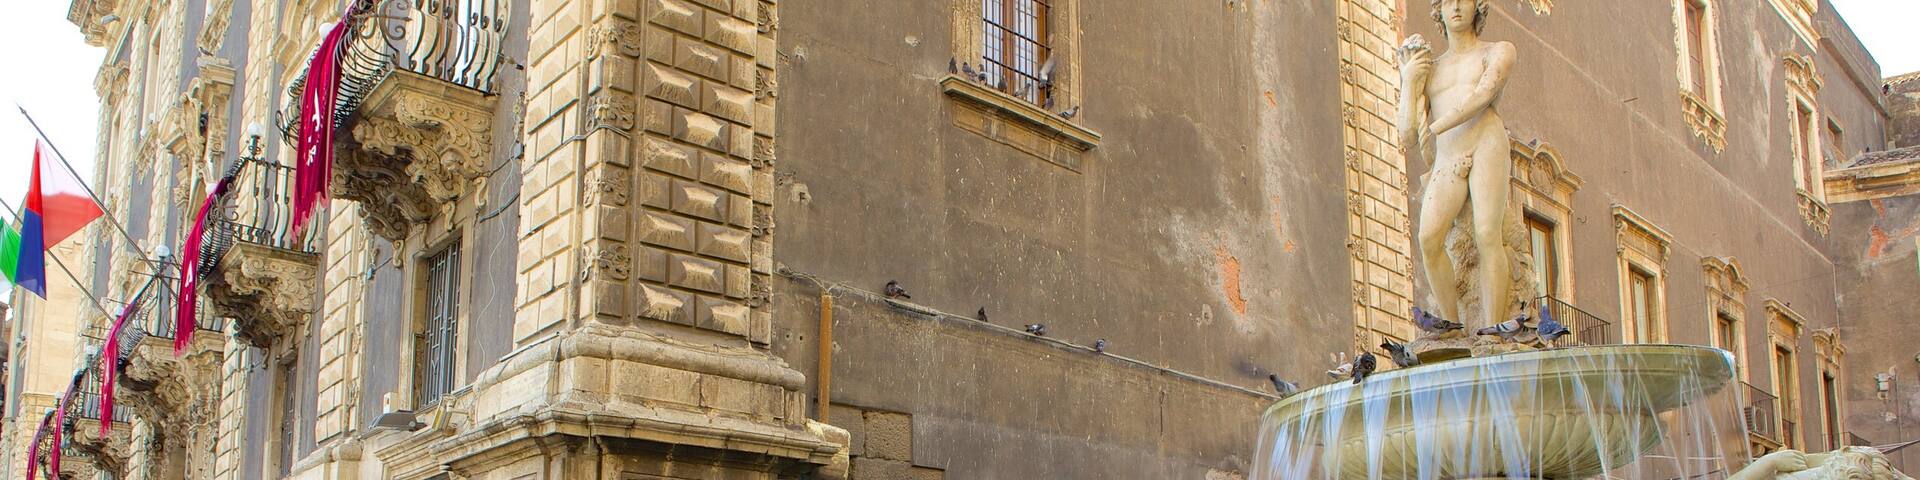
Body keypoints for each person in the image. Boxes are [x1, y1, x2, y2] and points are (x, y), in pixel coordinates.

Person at [1395, 0, 1518, 328]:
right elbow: (1407, 135)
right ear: (1438, 11)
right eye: (1447, 2)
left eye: (1463, 0)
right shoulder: (1431, 69)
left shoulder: (1498, 50)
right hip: (1449, 156)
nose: (1456, 8)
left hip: (1485, 142)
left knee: (1487, 232)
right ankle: (1450, 326)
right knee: (1428, 238)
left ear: (1478, 7)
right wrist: (1409, 82)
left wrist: (1437, 126)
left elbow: (1483, 93)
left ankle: (1493, 328)